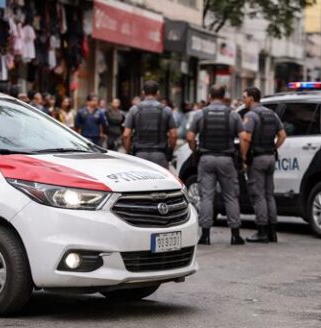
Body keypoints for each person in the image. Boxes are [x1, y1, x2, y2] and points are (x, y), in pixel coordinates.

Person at [186, 84, 245, 246]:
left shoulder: (200, 114)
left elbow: (190, 136)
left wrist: (195, 150)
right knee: (231, 196)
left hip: (206, 158)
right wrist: (243, 156)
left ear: (209, 96)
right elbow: (244, 137)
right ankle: (235, 235)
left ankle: (205, 236)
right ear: (224, 97)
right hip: (227, 159)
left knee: (206, 197)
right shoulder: (233, 115)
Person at [240, 87, 287, 243]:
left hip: (257, 159)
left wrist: (243, 157)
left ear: (251, 98)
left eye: (244, 97)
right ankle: (272, 232)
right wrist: (273, 148)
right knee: (269, 195)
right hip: (270, 157)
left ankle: (262, 231)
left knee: (258, 195)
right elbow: (282, 135)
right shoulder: (272, 114)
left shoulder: (251, 115)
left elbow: (246, 138)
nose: (243, 100)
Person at [122, 80, 177, 167]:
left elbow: (126, 135)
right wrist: (170, 151)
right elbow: (173, 135)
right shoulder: (166, 110)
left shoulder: (134, 110)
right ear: (157, 93)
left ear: (143, 93)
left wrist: (128, 151)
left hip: (139, 155)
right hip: (160, 155)